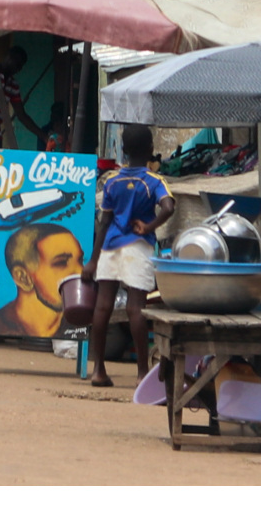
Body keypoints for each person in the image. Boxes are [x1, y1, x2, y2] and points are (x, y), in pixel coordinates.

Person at [85, 125, 169, 389]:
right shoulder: (154, 181)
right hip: (138, 247)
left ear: (123, 150)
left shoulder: (111, 180)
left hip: (109, 246)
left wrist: (92, 260)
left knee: (102, 307)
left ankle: (98, 370)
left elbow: (104, 221)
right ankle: (142, 373)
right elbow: (168, 207)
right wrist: (149, 226)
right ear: (150, 150)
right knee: (136, 309)